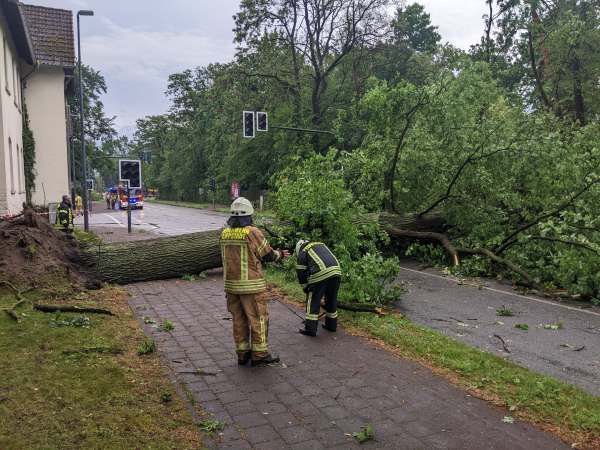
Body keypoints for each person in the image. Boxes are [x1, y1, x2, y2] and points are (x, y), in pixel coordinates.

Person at [220, 197, 289, 367]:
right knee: (258, 319)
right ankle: (259, 354)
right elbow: (268, 255)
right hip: (252, 287)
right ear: (249, 215)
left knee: (239, 320)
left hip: (231, 286)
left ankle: (242, 354)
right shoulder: (252, 232)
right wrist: (280, 255)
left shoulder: (224, 233)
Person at [295, 239, 342, 336]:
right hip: (336, 272)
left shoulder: (304, 251)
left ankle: (310, 329)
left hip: (320, 273)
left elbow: (301, 271)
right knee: (331, 299)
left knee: (313, 300)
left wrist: (305, 287)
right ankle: (331, 325)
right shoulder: (321, 244)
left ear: (298, 249)